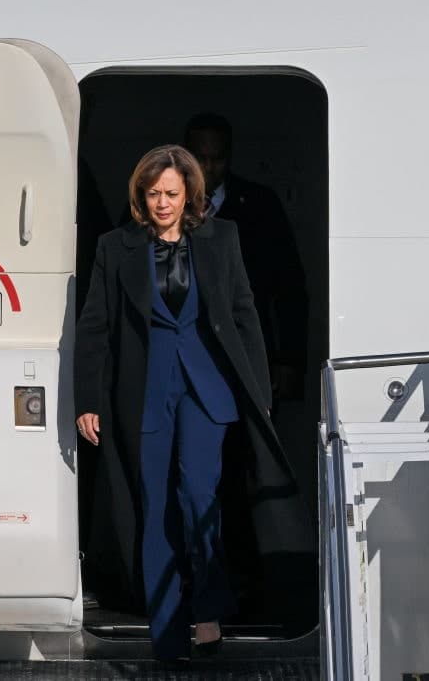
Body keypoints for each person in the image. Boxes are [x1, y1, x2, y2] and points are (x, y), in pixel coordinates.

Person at [74, 145, 299, 660]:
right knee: (155, 505)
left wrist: (258, 393)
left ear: (189, 193)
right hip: (144, 392)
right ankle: (168, 624)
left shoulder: (222, 238)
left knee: (200, 497)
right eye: (153, 194)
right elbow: (95, 327)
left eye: (171, 194)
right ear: (140, 195)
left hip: (207, 388)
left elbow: (244, 315)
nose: (162, 203)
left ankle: (207, 610)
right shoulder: (116, 247)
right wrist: (89, 399)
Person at [183, 113, 308, 401]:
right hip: (184, 354)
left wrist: (289, 359)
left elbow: (289, 287)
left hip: (246, 352)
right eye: (201, 158)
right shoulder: (160, 206)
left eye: (218, 158)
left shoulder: (260, 206)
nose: (209, 168)